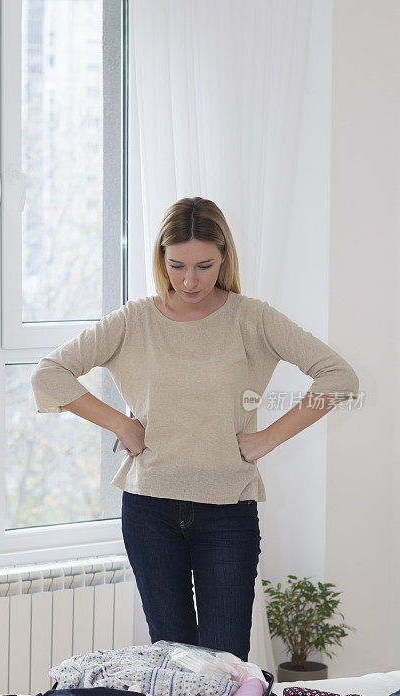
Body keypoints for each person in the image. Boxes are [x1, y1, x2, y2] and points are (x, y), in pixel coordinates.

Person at [30, 197, 359, 661]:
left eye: (204, 266)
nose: (189, 280)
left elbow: (339, 377)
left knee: (225, 663)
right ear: (161, 259)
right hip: (149, 511)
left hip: (227, 511)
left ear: (224, 256)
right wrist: (121, 423)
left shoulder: (252, 318)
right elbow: (49, 374)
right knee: (174, 661)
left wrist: (267, 438)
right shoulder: (134, 320)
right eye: (177, 265)